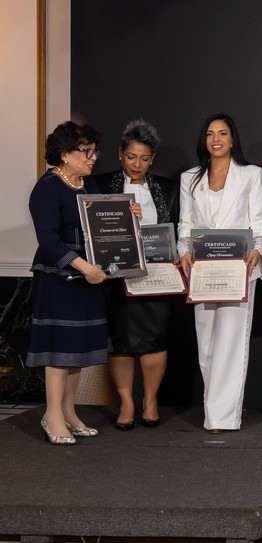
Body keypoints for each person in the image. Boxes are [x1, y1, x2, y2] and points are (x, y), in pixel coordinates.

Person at [178, 114, 262, 434]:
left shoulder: (251, 174)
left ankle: (222, 418)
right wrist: (184, 250)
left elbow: (258, 219)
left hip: (240, 268)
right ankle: (213, 409)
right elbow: (186, 223)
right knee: (207, 344)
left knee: (231, 341)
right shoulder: (190, 178)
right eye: (210, 134)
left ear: (232, 139)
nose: (216, 139)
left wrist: (259, 248)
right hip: (203, 270)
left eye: (223, 133)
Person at [91, 119, 179, 431]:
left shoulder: (167, 189)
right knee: (121, 341)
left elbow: (174, 232)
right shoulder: (100, 185)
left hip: (156, 275)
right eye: (131, 157)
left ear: (152, 159)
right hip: (116, 276)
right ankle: (127, 402)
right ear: (120, 153)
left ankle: (150, 400)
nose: (137, 164)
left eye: (144, 158)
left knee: (154, 339)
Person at [26, 122, 110, 445]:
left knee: (77, 349)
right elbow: (48, 241)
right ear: (63, 154)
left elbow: (103, 224)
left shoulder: (89, 185)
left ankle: (69, 412)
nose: (92, 157)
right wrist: (84, 267)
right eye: (85, 151)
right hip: (59, 277)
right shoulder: (47, 187)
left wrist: (129, 215)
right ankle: (52, 415)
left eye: (94, 151)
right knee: (59, 350)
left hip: (88, 277)